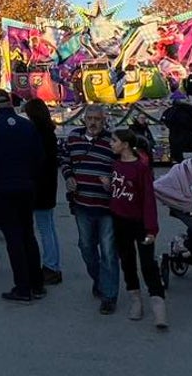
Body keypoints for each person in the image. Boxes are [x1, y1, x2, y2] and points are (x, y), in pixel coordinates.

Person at [0, 89, 44, 303]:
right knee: (28, 234)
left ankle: (23, 288)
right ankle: (37, 284)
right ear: (10, 103)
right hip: (26, 188)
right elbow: (38, 158)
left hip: (3, 191)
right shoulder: (28, 126)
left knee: (13, 238)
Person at [59, 103, 120, 314]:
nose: (93, 122)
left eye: (97, 119)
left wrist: (112, 181)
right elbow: (64, 159)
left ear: (104, 121)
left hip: (105, 207)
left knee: (109, 252)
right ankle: (100, 279)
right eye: (90, 118)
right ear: (84, 120)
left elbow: (122, 169)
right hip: (82, 204)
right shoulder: (74, 138)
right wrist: (69, 176)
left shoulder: (112, 142)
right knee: (86, 248)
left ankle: (109, 295)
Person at [106, 128, 167, 329]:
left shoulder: (141, 169)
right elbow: (118, 192)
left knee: (148, 263)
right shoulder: (115, 165)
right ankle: (135, 299)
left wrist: (151, 229)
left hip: (140, 222)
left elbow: (148, 200)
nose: (111, 144)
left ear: (124, 144)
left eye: (114, 141)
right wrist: (108, 186)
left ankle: (158, 303)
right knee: (128, 261)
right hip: (120, 220)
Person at [23, 98, 62, 285]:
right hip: (48, 184)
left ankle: (51, 266)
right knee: (49, 226)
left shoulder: (37, 134)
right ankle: (53, 264)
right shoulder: (49, 132)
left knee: (44, 228)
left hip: (39, 186)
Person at [160, 94, 192, 163]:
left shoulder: (170, 111)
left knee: (178, 162)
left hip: (175, 140)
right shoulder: (191, 112)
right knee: (190, 162)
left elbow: (164, 121)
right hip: (190, 141)